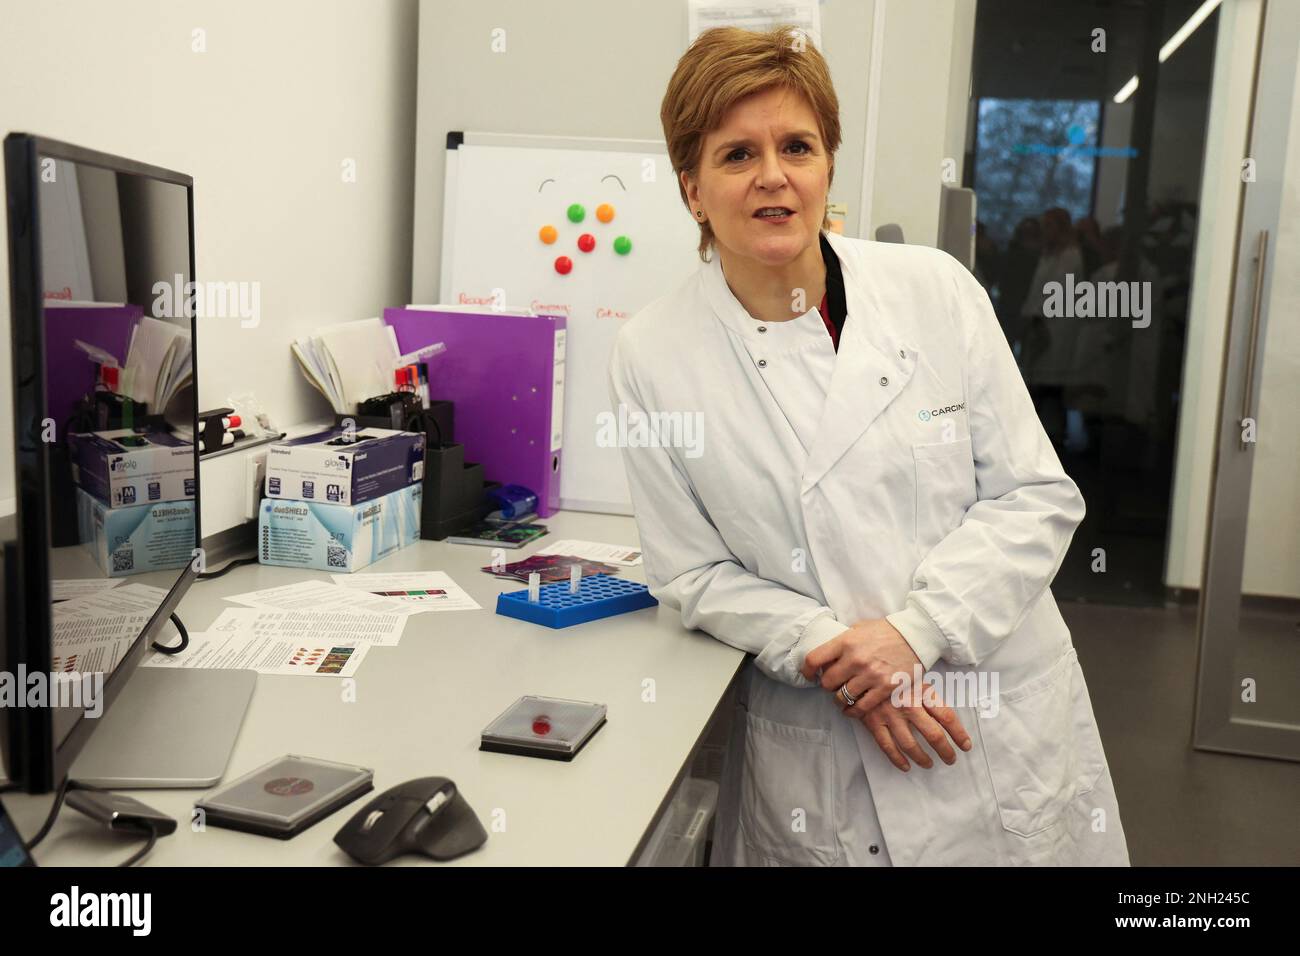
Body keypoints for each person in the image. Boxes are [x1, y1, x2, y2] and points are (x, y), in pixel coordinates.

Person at [607, 26, 1128, 866]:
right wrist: (835, 650)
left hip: (983, 712)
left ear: (827, 167)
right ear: (692, 190)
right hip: (825, 729)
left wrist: (916, 633)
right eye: (737, 154)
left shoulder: (935, 291)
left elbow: (1036, 496)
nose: (773, 175)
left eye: (797, 146)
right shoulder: (652, 353)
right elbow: (688, 571)